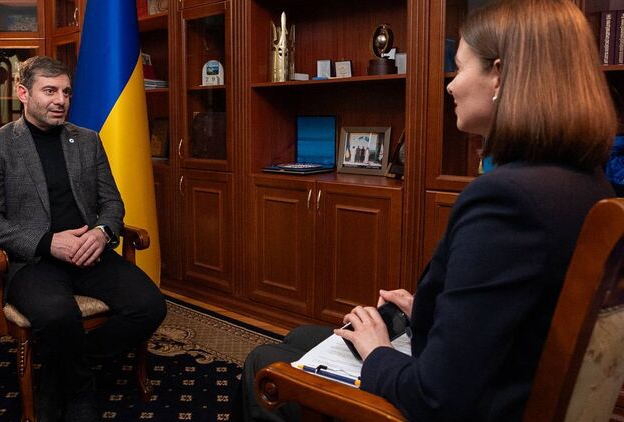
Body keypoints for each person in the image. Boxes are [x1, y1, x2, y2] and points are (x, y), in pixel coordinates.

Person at [232, 0, 616, 420]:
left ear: (499, 75)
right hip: (508, 387)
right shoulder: (588, 184)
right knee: (301, 336)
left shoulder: (507, 201)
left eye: (459, 68)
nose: (451, 86)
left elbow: (436, 398)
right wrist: (429, 310)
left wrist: (378, 351)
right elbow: (519, 316)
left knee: (264, 365)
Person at [0, 56, 167, 422]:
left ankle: (61, 371)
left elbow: (112, 203)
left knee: (150, 306)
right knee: (58, 316)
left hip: (89, 252)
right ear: (23, 93)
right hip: (32, 261)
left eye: (66, 92)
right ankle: (79, 391)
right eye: (50, 91)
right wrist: (48, 242)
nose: (60, 100)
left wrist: (102, 232)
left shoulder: (87, 140)